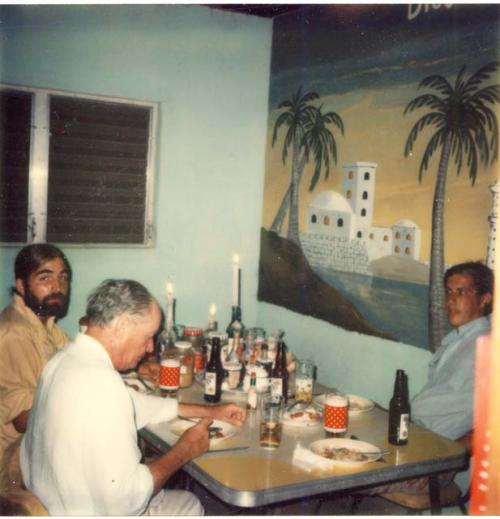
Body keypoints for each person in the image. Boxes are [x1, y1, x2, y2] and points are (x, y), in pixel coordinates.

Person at [21, 279, 246, 515]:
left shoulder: (64, 359)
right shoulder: (103, 384)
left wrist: (210, 411)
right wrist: (184, 450)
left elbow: (134, 403)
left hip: (51, 501)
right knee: (189, 503)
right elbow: (126, 501)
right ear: (122, 326)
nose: (150, 348)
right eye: (148, 336)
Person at [376, 261, 493, 499]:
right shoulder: (457, 340)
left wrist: (445, 456)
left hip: (430, 461)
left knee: (336, 471)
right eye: (449, 292)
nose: (451, 300)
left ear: (484, 299)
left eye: (461, 292)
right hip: (410, 437)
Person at [0, 243, 71, 497]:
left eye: (63, 277)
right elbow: (24, 420)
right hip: (14, 469)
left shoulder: (46, 325)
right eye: (45, 277)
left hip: (36, 454)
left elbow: (78, 364)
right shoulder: (14, 334)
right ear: (21, 286)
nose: (57, 286)